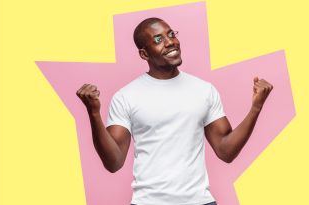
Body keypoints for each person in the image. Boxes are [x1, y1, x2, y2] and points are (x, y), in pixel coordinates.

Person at [76, 17, 273, 205]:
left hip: (200, 201)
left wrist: (256, 108)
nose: (170, 42)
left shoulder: (204, 90)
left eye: (171, 34)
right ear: (144, 54)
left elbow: (226, 151)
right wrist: (93, 114)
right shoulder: (126, 96)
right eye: (159, 39)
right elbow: (114, 162)